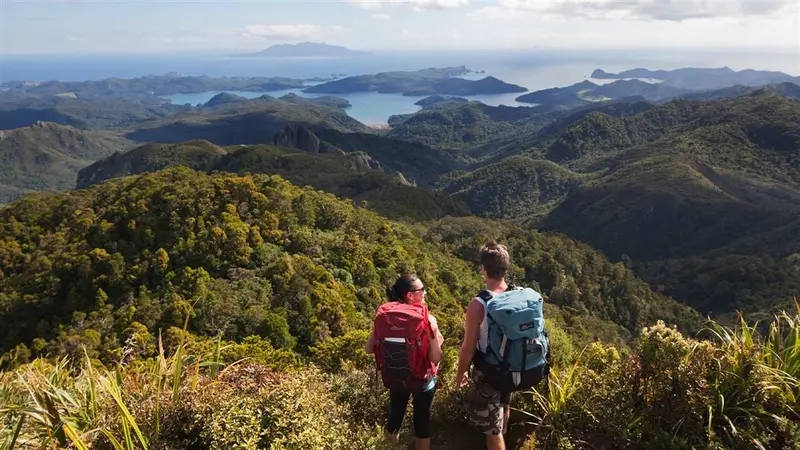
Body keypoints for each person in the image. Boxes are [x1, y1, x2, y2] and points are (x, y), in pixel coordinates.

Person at [455, 242, 533, 450]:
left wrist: (460, 373)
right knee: (503, 408)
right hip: (513, 367)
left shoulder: (478, 304)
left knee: (492, 431)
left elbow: (468, 347)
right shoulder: (517, 296)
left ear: (483, 269)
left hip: (490, 371)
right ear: (506, 267)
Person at [365, 274, 444, 450]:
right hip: (422, 381)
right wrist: (436, 337)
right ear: (410, 295)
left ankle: (389, 447)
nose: (425, 293)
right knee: (421, 425)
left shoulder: (385, 317)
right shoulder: (428, 319)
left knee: (394, 420)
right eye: (421, 290)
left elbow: (369, 348)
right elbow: (435, 358)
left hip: (396, 377)